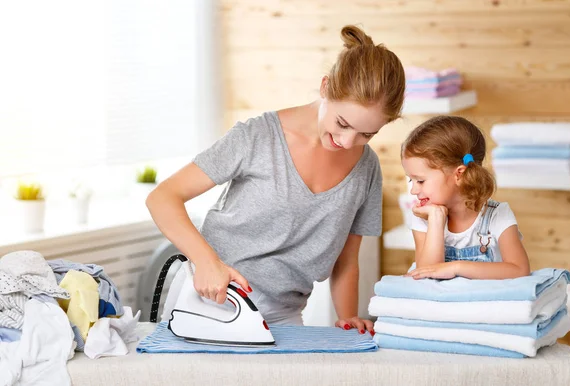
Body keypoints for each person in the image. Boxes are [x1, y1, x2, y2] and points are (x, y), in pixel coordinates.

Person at [146, 25, 406, 335]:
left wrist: (347, 318)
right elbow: (162, 197)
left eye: (367, 134)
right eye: (342, 123)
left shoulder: (368, 168)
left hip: (285, 318)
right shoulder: (257, 137)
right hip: (211, 300)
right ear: (325, 87)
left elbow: (346, 261)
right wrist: (205, 262)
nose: (348, 142)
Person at [401, 115, 530, 280]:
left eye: (420, 180)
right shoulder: (425, 218)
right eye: (411, 180)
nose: (413, 190)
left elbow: (519, 269)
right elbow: (426, 275)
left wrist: (456, 267)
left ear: (459, 174)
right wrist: (436, 220)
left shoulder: (497, 216)